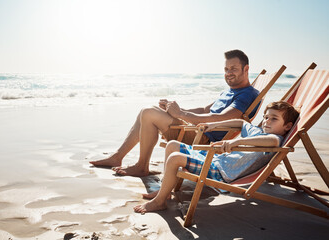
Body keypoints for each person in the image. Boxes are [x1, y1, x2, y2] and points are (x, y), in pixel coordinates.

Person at [90, 49, 259, 177]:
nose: (229, 73)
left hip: (203, 137)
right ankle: (118, 157)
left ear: (246, 69)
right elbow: (205, 110)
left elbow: (223, 118)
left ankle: (141, 166)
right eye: (226, 68)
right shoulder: (230, 91)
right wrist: (177, 111)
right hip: (196, 128)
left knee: (149, 113)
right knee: (146, 111)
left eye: (234, 68)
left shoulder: (246, 94)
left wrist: (181, 115)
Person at [133, 101, 300, 213]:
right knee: (172, 145)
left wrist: (237, 142)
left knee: (175, 158)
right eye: (265, 117)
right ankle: (165, 191)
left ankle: (159, 202)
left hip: (220, 172)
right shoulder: (257, 130)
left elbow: (269, 141)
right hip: (213, 161)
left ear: (287, 126)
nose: (266, 121)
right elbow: (241, 123)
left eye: (274, 119)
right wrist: (215, 125)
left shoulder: (276, 140)